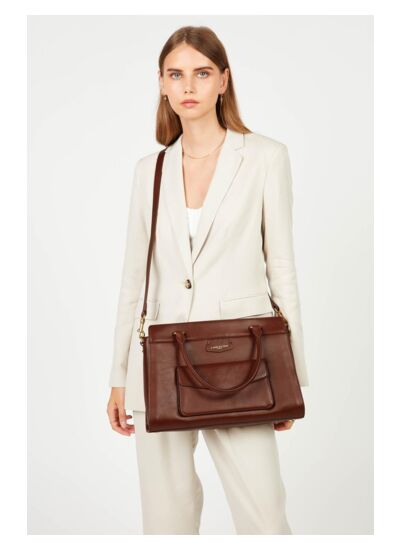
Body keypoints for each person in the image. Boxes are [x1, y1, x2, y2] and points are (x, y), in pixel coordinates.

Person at [106, 25, 309, 535]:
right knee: (165, 520)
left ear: (223, 80)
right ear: (161, 83)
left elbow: (282, 267)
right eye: (175, 75)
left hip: (241, 360)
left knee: (265, 517)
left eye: (201, 73)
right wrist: (119, 376)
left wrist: (290, 375)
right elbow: (134, 278)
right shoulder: (149, 170)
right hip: (159, 363)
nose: (188, 86)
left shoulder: (265, 157)